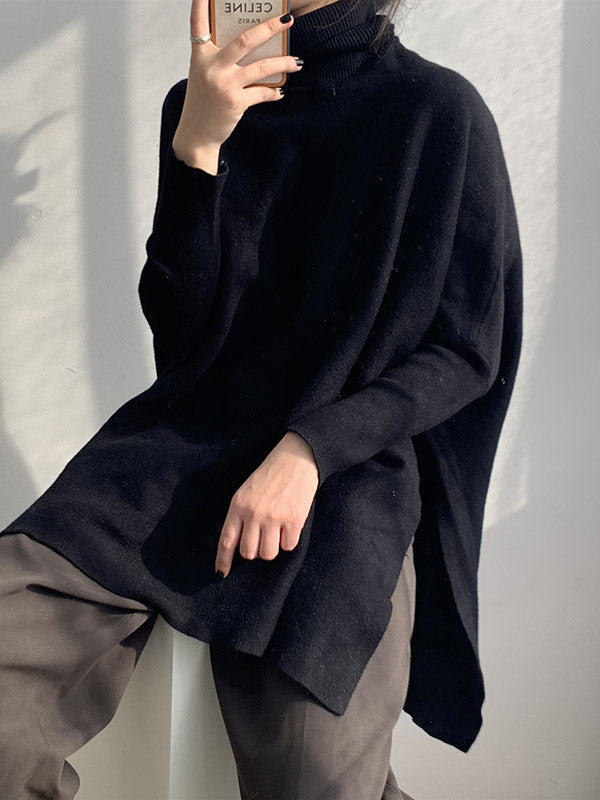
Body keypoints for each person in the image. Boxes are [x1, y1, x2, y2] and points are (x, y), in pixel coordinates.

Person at [0, 0, 523, 797]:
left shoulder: (437, 111)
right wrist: (197, 149)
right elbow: (183, 339)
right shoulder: (203, 104)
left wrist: (311, 449)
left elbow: (465, 351)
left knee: (315, 778)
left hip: (343, 483)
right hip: (171, 460)